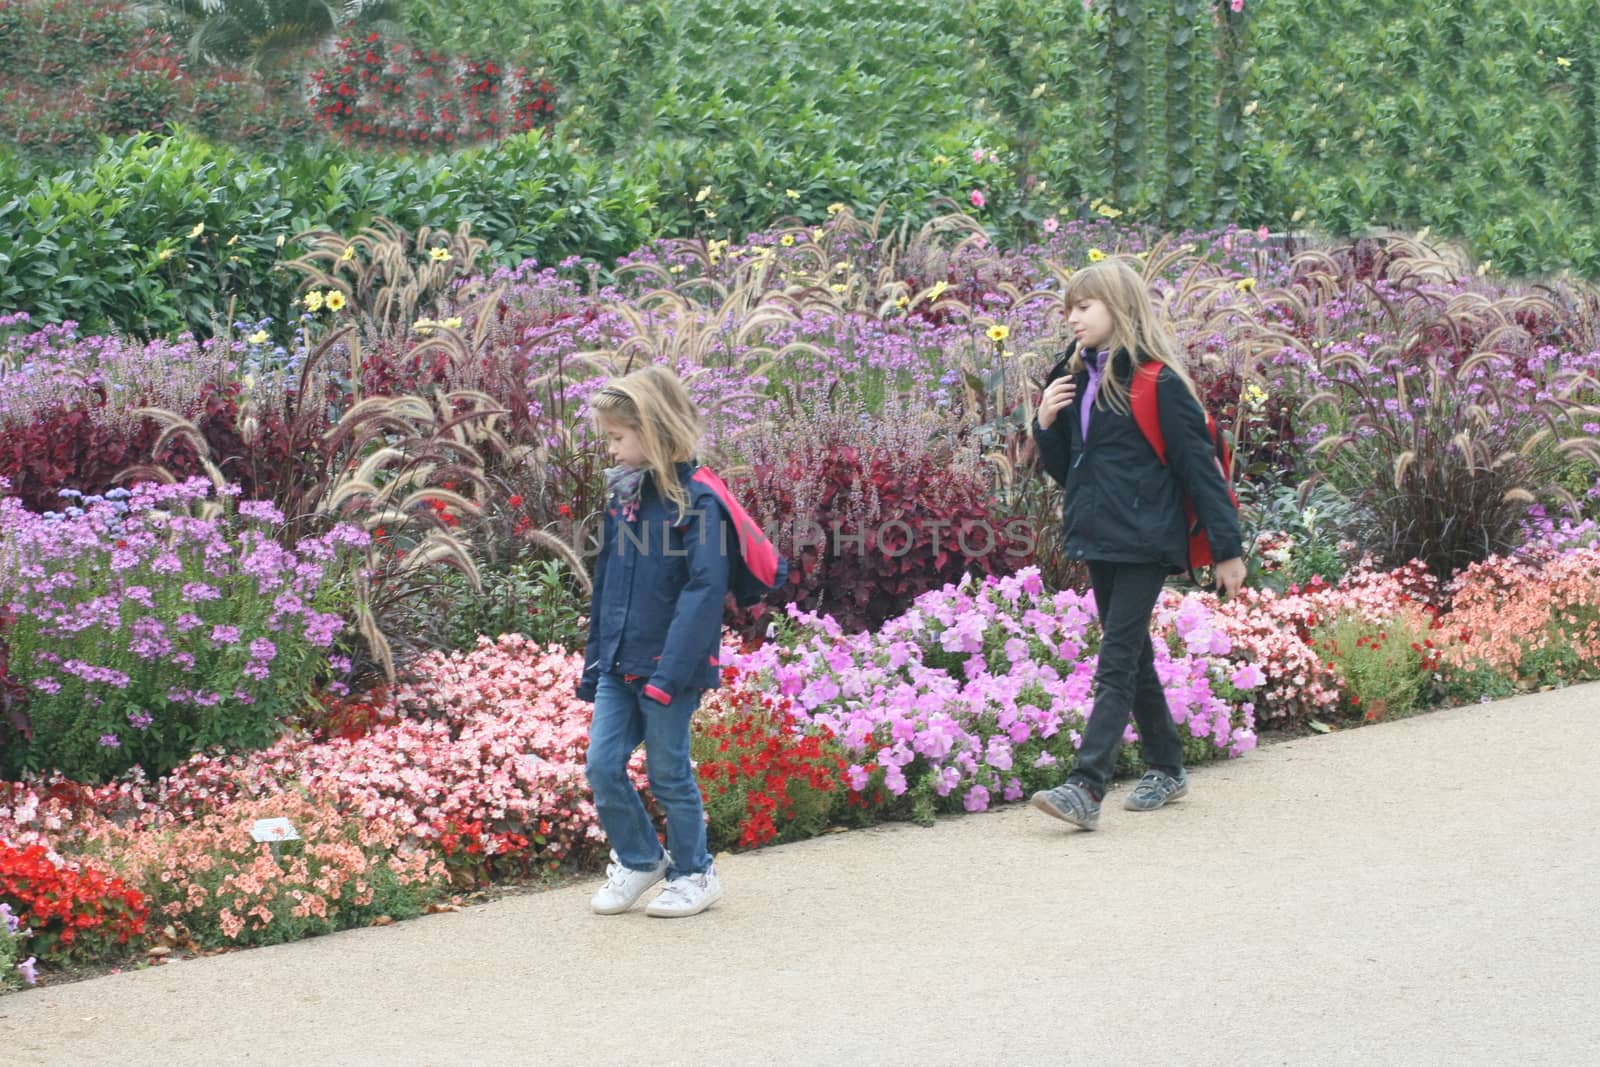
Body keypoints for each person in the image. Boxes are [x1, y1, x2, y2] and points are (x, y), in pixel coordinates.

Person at [1029, 257, 1245, 831]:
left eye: (1085, 306)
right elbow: (1067, 472)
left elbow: (1201, 471)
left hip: (1147, 539)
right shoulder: (1073, 378)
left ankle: (1085, 785)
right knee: (1134, 652)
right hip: (1098, 534)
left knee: (1118, 655)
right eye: (1069, 308)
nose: (1073, 318)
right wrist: (1045, 425)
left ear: (1119, 308)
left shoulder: (1158, 382)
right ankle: (1167, 767)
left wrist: (1228, 549)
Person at [577, 365, 731, 917]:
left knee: (669, 771)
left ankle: (695, 872)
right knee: (601, 763)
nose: (612, 450)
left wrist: (670, 674)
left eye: (618, 437)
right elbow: (608, 580)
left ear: (654, 430)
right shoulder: (624, 496)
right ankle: (641, 857)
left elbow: (704, 591)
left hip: (671, 666)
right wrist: (597, 659)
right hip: (620, 661)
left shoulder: (699, 503)